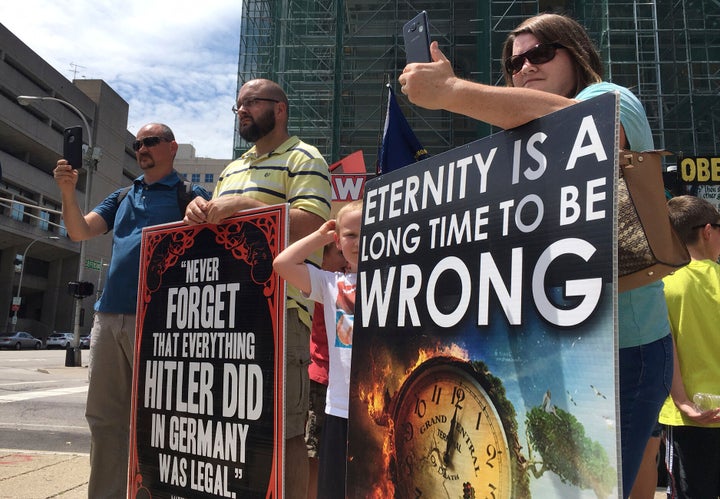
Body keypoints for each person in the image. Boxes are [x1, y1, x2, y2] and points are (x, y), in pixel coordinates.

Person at [399, 13, 673, 496]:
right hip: (554, 352)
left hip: (623, 348)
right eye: (513, 62)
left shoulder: (611, 99)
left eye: (540, 54)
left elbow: (582, 128)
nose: (524, 67)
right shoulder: (514, 141)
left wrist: (452, 92)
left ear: (578, 54)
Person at [184, 78, 332, 499]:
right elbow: (215, 228)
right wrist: (199, 212)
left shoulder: (304, 158)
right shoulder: (231, 169)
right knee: (229, 426)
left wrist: (244, 206)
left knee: (283, 431)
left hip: (279, 313)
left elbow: (312, 225)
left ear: (280, 108)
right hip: (223, 313)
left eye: (250, 103)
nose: (241, 111)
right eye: (238, 106)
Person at [53, 123, 211, 498]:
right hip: (109, 318)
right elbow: (79, 231)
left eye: (150, 142)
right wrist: (67, 192)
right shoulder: (122, 195)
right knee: (105, 420)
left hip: (163, 321)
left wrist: (203, 212)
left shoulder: (190, 194)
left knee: (159, 419)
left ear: (171, 148)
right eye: (137, 143)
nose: (141, 148)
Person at [273, 200, 362, 499]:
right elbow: (282, 264)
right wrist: (321, 236)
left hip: (379, 408)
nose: (358, 242)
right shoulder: (331, 284)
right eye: (350, 234)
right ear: (337, 240)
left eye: (367, 232)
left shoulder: (401, 277)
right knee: (334, 489)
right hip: (339, 407)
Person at [658, 195, 720, 498]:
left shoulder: (663, 286)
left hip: (690, 419)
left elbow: (664, 347)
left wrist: (682, 400)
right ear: (707, 231)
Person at [306, 242, 347, 499]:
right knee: (314, 456)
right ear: (322, 255)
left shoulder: (341, 284)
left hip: (339, 386)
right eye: (340, 252)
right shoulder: (327, 286)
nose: (346, 259)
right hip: (321, 380)